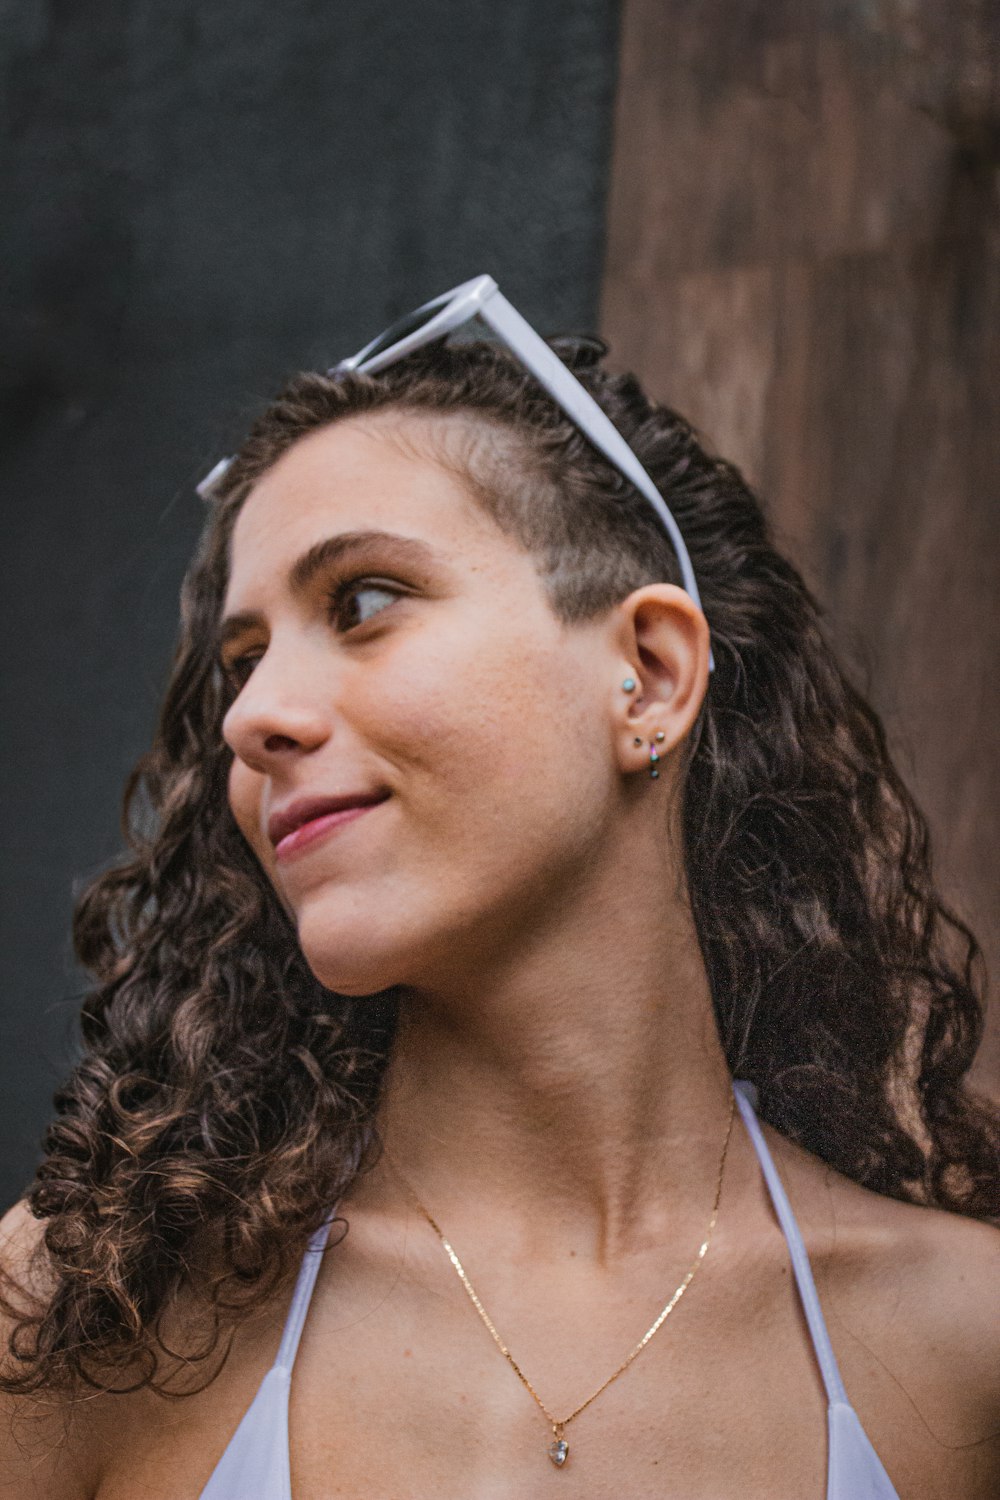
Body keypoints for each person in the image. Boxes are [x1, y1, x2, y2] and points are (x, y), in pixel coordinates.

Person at [1, 279, 998, 1500]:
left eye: (361, 602)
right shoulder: (96, 1308)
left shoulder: (963, 1349)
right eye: (242, 664)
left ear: (644, 673)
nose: (254, 718)